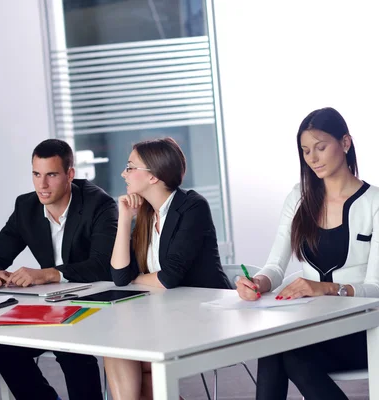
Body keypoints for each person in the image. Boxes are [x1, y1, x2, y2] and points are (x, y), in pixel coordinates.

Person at [236, 107, 379, 400]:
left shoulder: (375, 203)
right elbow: (275, 264)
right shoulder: (299, 197)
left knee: (287, 352)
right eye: (305, 150)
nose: (312, 158)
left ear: (346, 143)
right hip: (315, 328)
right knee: (275, 346)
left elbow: (376, 288)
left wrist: (325, 288)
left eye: (321, 147)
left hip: (367, 331)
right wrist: (259, 282)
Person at [0, 138, 118, 400]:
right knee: (3, 346)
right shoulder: (26, 207)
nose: (42, 184)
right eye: (36, 174)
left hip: (97, 305)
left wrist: (49, 273)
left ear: (70, 175)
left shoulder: (99, 204)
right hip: (54, 307)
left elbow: (104, 266)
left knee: (71, 346)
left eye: (51, 175)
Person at [104, 137, 231, 400]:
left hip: (203, 317)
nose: (123, 173)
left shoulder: (192, 206)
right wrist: (125, 217)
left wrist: (137, 278)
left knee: (131, 359)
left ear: (153, 176)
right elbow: (119, 277)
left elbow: (169, 277)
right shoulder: (148, 215)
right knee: (118, 350)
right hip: (163, 318)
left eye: (130, 167)